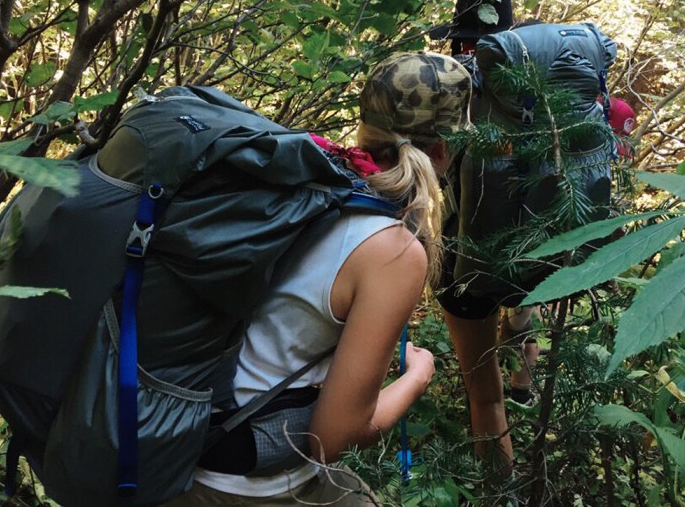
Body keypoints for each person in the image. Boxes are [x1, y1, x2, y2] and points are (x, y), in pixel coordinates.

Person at [166, 51, 472, 505]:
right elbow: (333, 441)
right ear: (444, 151)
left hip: (183, 435)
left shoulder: (311, 179)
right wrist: (418, 377)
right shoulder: (395, 251)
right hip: (242, 482)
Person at [429, 0, 541, 468]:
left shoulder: (445, 84)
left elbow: (427, 171)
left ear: (456, 34)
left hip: (463, 261)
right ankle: (525, 383)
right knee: (520, 314)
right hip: (531, 249)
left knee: (484, 397)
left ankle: (501, 491)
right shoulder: (535, 82)